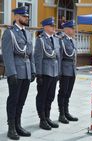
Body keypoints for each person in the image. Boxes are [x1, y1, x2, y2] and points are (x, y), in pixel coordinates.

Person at [2, 6, 35, 140]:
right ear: (16, 17)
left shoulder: (27, 33)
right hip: (16, 71)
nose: (27, 18)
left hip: (26, 71)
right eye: (24, 16)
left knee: (21, 101)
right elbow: (7, 54)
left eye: (27, 16)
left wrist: (33, 70)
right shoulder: (9, 33)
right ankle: (11, 128)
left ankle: (18, 125)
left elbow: (30, 54)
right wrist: (11, 73)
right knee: (13, 100)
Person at [34, 17, 60, 130]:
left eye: (54, 26)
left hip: (54, 72)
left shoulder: (56, 39)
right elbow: (38, 58)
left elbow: (57, 57)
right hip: (45, 72)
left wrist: (58, 72)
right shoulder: (40, 40)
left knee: (51, 96)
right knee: (42, 96)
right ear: (45, 27)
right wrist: (38, 74)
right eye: (51, 26)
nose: (54, 28)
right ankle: (42, 119)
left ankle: (48, 117)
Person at [57, 20, 78, 124]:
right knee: (63, 92)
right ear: (66, 29)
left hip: (72, 70)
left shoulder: (73, 41)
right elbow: (60, 57)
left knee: (68, 93)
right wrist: (59, 72)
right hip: (65, 69)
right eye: (72, 28)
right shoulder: (61, 40)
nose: (74, 30)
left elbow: (74, 56)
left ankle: (66, 112)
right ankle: (61, 114)